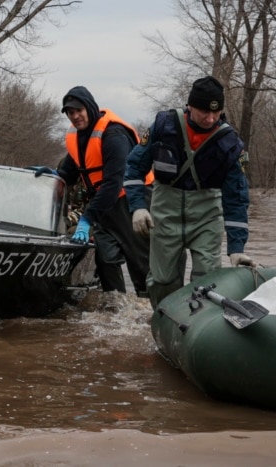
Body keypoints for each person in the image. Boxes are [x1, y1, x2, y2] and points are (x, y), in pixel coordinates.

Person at [126, 75, 251, 308]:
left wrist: (237, 248)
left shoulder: (230, 143)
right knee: (162, 280)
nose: (210, 118)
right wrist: (138, 208)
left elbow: (237, 198)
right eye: (204, 111)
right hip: (165, 210)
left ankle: (197, 323)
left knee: (207, 278)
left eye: (216, 112)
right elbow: (134, 167)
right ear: (190, 105)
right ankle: (165, 320)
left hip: (207, 215)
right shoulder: (164, 126)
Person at [36, 86, 151, 296]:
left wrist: (86, 219)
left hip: (132, 202)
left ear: (89, 107)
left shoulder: (114, 135)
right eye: (70, 113)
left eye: (78, 110)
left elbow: (114, 183)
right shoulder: (78, 137)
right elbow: (69, 173)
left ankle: (148, 311)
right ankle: (116, 310)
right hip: (103, 205)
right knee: (105, 259)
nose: (75, 116)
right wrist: (52, 175)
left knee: (140, 264)